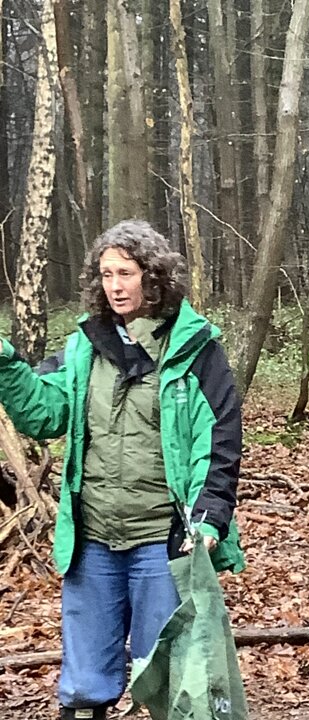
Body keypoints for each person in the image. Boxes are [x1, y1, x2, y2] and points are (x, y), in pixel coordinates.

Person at [0, 220, 244, 720]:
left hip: (162, 539)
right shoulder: (85, 346)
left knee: (171, 676)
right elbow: (44, 414)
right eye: (106, 274)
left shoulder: (196, 350)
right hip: (92, 538)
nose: (115, 285)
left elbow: (219, 440)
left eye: (126, 273)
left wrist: (210, 516)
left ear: (154, 277)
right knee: (85, 681)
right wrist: (5, 365)